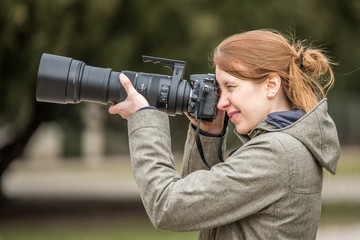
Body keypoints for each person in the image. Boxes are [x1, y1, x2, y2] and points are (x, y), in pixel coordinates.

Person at [108, 29, 340, 239]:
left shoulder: (277, 153)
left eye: (231, 87)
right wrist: (209, 134)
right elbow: (198, 210)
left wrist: (146, 116)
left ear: (271, 85)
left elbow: (168, 207)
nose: (221, 102)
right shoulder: (285, 146)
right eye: (220, 90)